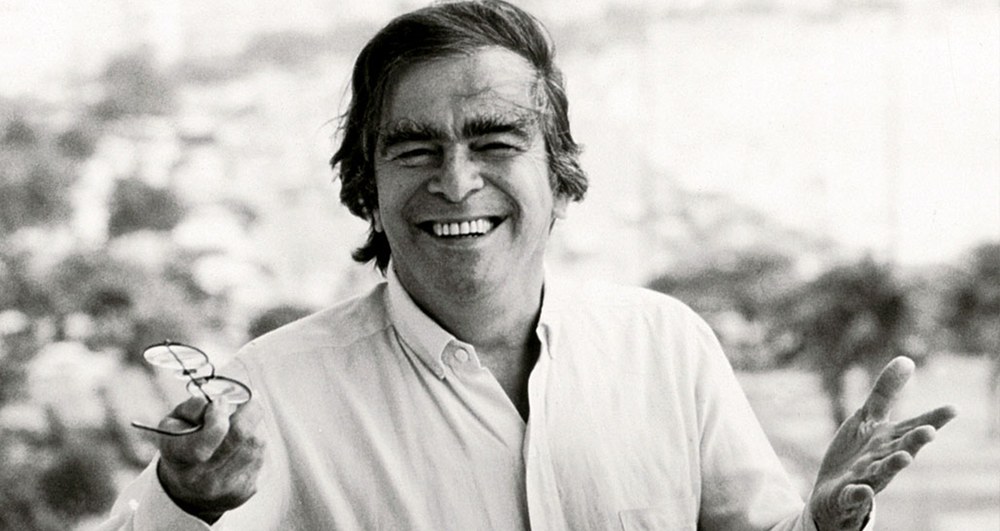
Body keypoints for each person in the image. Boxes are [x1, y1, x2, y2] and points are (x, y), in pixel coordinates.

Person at [98, 1, 956, 529]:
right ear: (367, 186)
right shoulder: (273, 390)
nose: (455, 180)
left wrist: (822, 526)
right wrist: (190, 499)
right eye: (414, 149)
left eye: (495, 142)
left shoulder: (666, 345)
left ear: (559, 175)